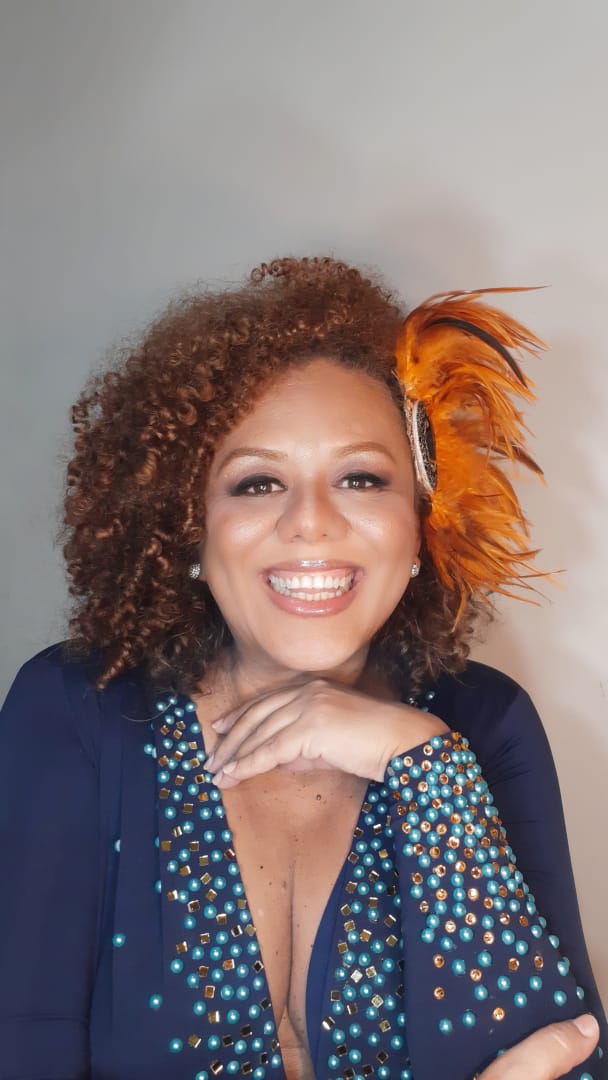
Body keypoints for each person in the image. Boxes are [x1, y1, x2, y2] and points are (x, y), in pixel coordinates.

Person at [0, 257, 605, 1080]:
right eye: (257, 483)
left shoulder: (482, 725)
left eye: (361, 477)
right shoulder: (77, 709)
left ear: (421, 524)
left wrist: (430, 770)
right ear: (187, 529)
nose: (311, 523)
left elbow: (568, 1055)